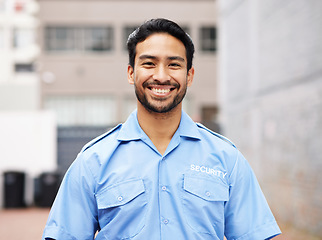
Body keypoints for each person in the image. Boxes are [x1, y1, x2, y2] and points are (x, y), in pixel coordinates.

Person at [42, 18, 281, 240]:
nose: (161, 76)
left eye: (174, 64)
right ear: (131, 73)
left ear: (189, 75)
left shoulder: (227, 158)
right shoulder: (93, 162)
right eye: (149, 63)